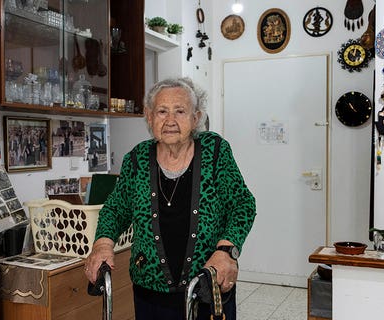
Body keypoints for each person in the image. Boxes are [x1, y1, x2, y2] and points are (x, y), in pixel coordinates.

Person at [84, 77, 256, 319]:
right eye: (162, 111)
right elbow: (116, 209)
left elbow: (242, 205)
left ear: (196, 118)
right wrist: (102, 244)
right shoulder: (137, 158)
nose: (170, 120)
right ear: (149, 117)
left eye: (180, 111)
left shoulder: (215, 150)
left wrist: (227, 251)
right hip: (150, 293)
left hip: (208, 285)